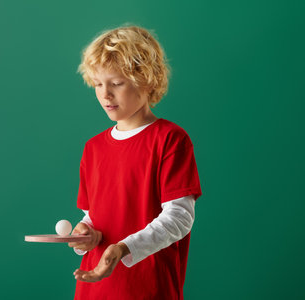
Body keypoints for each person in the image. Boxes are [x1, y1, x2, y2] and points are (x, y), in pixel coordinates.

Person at [67, 24, 203, 299]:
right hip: (95, 287)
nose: (105, 94)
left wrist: (123, 248)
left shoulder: (171, 140)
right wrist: (84, 235)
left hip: (148, 288)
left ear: (148, 81)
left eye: (117, 83)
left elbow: (179, 217)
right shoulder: (93, 148)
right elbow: (95, 215)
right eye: (98, 84)